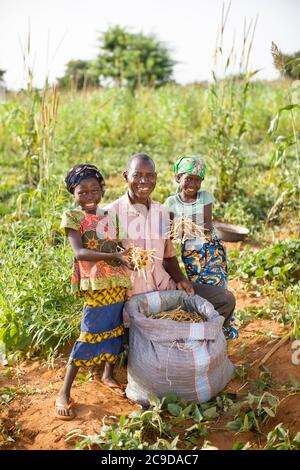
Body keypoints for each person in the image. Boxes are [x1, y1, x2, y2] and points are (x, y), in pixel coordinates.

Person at [105, 153, 236, 327]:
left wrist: (180, 279)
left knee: (224, 299)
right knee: (135, 335)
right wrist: (122, 259)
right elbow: (105, 262)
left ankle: (195, 344)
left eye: (150, 176)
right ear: (126, 176)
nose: (144, 181)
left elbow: (168, 257)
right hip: (133, 298)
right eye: (137, 175)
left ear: (156, 178)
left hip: (166, 291)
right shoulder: (110, 214)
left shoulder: (161, 212)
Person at [55, 164, 132, 420]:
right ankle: (64, 391)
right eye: (82, 192)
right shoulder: (73, 217)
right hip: (94, 283)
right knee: (89, 332)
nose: (89, 196)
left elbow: (118, 244)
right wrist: (115, 256)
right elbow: (80, 253)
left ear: (102, 190)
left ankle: (107, 374)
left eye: (94, 190)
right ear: (72, 193)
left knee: (116, 328)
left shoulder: (110, 216)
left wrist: (129, 254)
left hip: (118, 281)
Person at [164, 154, 227, 288]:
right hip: (191, 252)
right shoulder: (171, 203)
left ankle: (220, 306)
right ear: (178, 177)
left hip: (212, 250)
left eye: (197, 180)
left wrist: (185, 226)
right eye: (188, 178)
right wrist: (179, 229)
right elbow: (169, 232)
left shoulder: (205, 197)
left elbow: (208, 226)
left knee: (218, 284)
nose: (193, 184)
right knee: (198, 285)